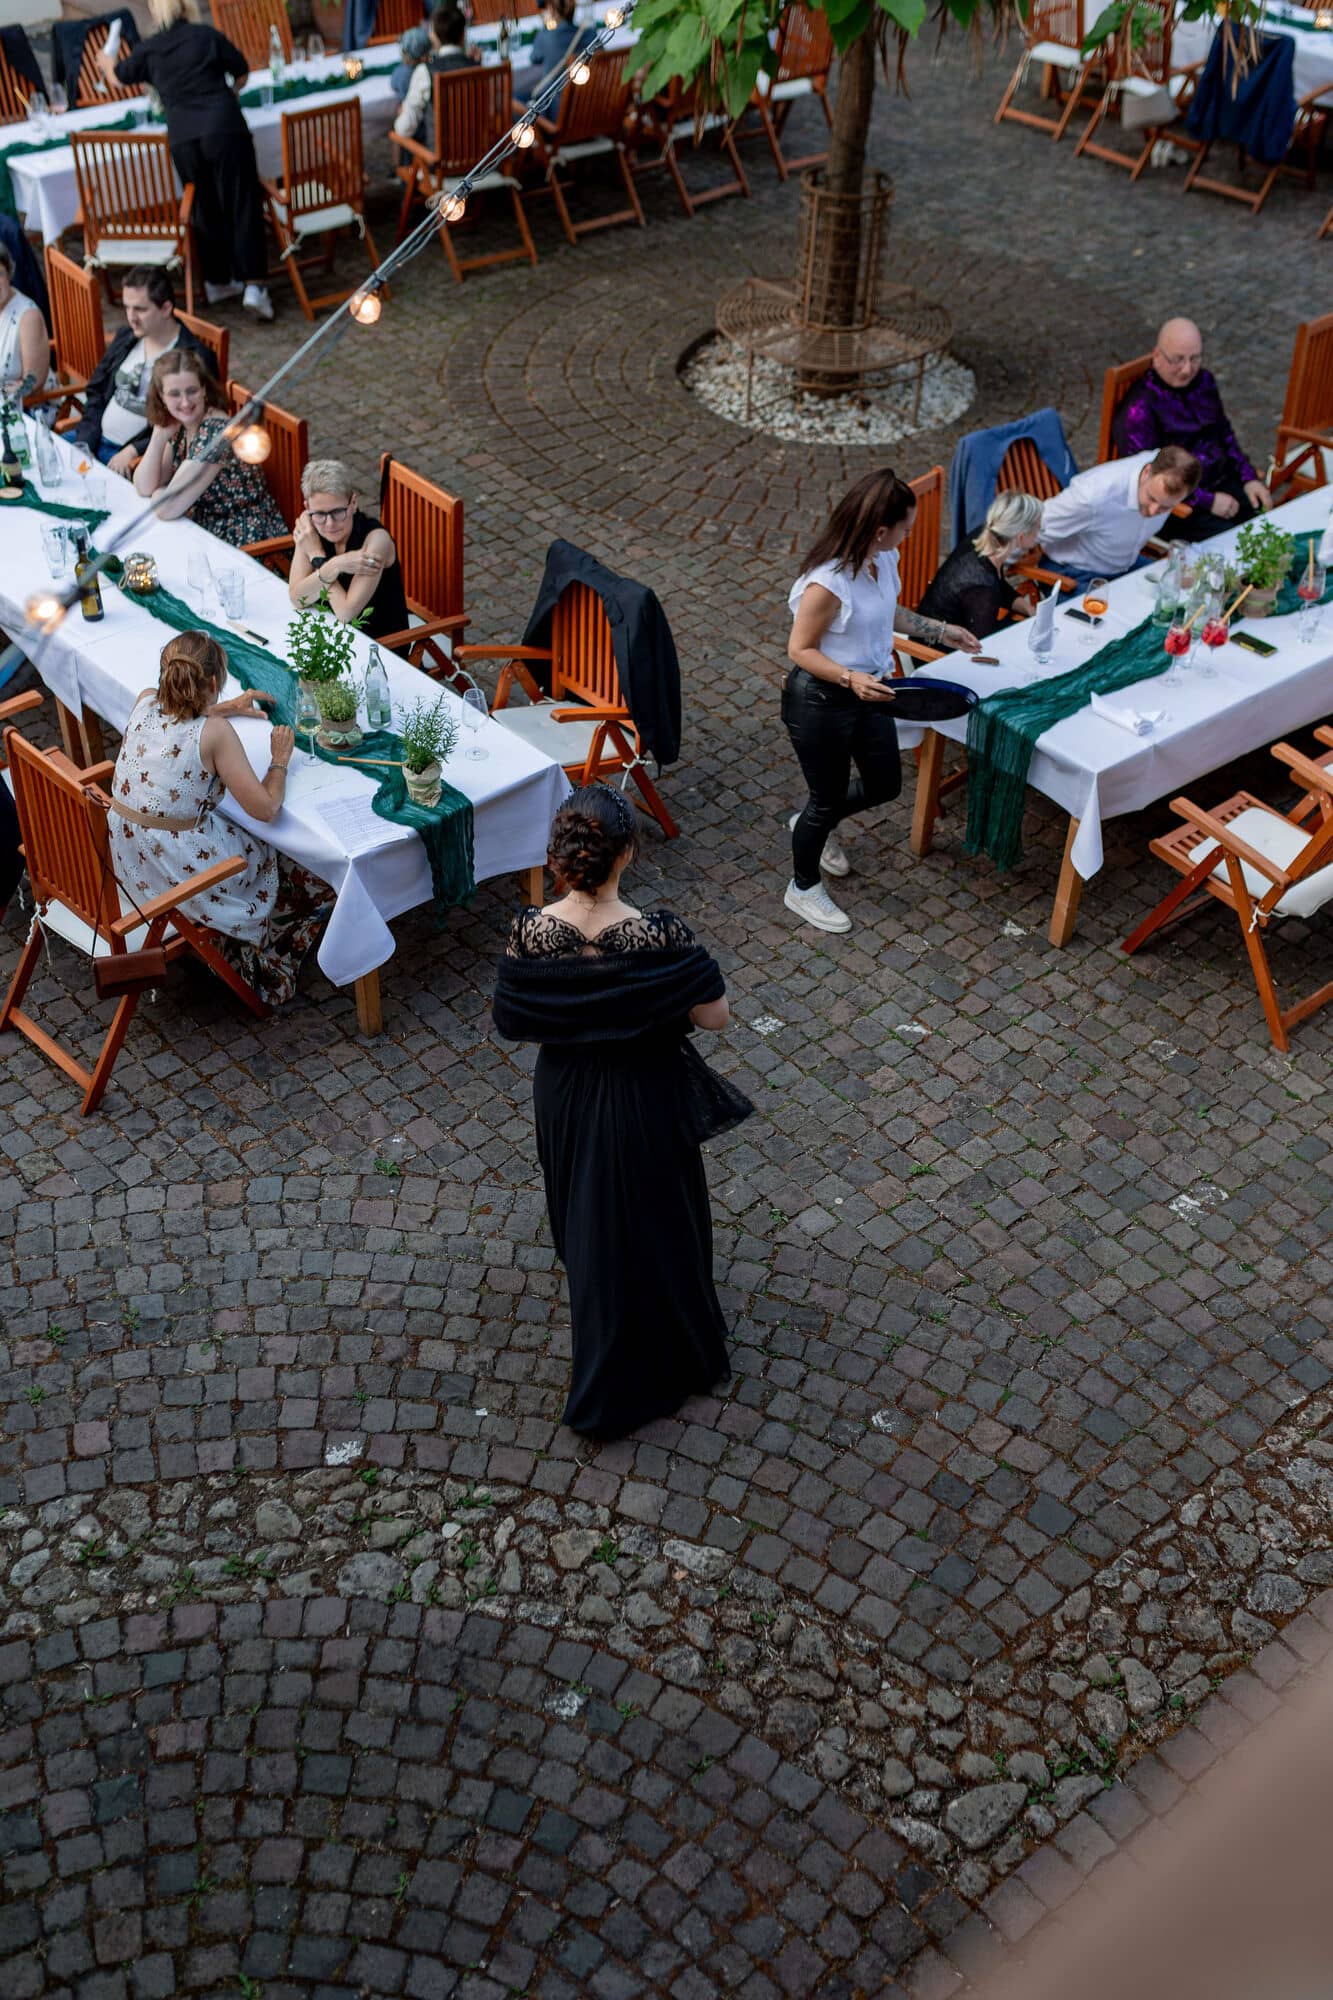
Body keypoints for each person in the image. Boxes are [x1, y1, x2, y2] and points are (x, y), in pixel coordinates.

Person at [492, 785, 750, 1441]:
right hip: (644, 1091)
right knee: (661, 1219)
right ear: (626, 855)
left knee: (586, 1214)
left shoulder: (529, 932)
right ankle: (675, 1344)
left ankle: (606, 1336)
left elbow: (512, 1019)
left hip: (568, 1093)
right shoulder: (660, 934)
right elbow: (715, 1018)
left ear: (559, 856)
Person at [783, 468, 981, 936]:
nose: (910, 535)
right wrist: (850, 678)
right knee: (825, 796)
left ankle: (812, 822)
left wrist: (939, 630)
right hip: (821, 699)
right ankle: (802, 885)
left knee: (884, 784)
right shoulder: (828, 583)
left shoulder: (881, 560)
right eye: (907, 528)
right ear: (880, 530)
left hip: (869, 690)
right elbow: (800, 650)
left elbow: (886, 610)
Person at [110, 632, 332, 1007]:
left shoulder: (144, 701)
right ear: (213, 682)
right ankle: (256, 946)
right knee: (283, 854)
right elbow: (265, 809)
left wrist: (224, 707)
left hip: (131, 863)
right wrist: (279, 760)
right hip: (178, 878)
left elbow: (181, 716)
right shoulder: (214, 734)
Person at [99, 0, 275, 323]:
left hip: (184, 137)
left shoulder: (151, 48)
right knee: (242, 202)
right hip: (223, 126)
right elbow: (242, 71)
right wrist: (231, 93)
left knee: (203, 206)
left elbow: (119, 78)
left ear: (156, 12)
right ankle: (254, 286)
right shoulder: (205, 36)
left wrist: (106, 61)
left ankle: (218, 280)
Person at [1113, 317, 1272, 542]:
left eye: (1194, 358)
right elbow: (1149, 478)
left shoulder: (1204, 381)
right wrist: (1208, 500)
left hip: (1222, 478)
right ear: (1157, 356)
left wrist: (1248, 478)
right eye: (1178, 360)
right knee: (1231, 543)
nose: (1187, 369)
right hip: (1180, 501)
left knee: (1265, 521)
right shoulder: (1140, 409)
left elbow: (1224, 433)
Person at [133, 349, 285, 548]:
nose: (185, 402)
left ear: (204, 389)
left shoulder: (216, 432)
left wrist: (160, 492)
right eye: (174, 394)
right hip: (206, 531)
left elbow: (167, 508)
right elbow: (144, 486)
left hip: (248, 542)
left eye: (192, 391)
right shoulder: (180, 425)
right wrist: (159, 436)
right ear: (161, 396)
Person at [66, 267, 206, 474]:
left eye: (140, 309)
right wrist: (86, 441)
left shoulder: (192, 358)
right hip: (93, 438)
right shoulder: (126, 336)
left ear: (166, 308)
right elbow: (96, 390)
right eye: (127, 308)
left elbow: (189, 421)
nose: (131, 317)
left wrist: (133, 450)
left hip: (133, 459)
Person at [1036, 444, 1201, 589]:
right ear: (1146, 471)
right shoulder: (1093, 496)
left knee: (1183, 592)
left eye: (1166, 507)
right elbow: (1033, 525)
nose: (1152, 511)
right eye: (1151, 497)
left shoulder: (1167, 465)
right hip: (1073, 572)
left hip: (1124, 564)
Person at [287, 458, 409, 643]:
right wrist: (334, 565)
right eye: (320, 514)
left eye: (337, 512)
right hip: (331, 638)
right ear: (308, 508)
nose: (329, 524)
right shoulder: (310, 528)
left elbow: (346, 612)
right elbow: (298, 598)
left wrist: (318, 560)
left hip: (381, 647)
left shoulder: (376, 541)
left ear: (353, 503)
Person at [918, 491, 1044, 640]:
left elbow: (999, 584)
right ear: (1021, 537)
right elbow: (983, 646)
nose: (1040, 531)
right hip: (938, 652)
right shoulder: (983, 588)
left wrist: (1027, 609)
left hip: (948, 627)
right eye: (1038, 527)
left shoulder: (987, 538)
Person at [393, 4, 475, 143]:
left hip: (439, 159)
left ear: (434, 38)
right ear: (463, 35)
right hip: (482, 156)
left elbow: (405, 128)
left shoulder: (425, 71)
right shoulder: (476, 66)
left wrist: (399, 119)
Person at [0, 243, 56, 405]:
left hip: (26, 407)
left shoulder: (28, 317)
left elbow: (33, 384)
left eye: (0, 274)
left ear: (9, 273)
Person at [513, 0, 595, 104]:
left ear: (551, 9)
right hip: (587, 102)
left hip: (552, 107)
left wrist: (546, 25)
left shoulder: (546, 36)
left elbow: (534, 58)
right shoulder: (591, 35)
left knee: (511, 98)